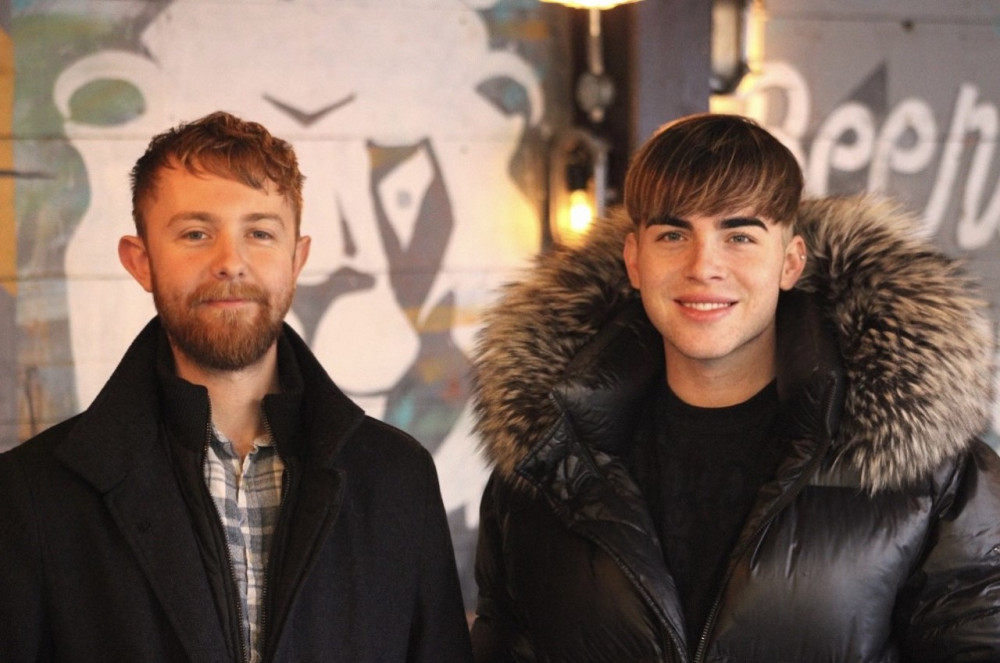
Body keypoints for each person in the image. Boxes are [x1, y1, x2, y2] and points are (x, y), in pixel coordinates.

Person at [469, 113, 1000, 661]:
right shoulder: (547, 457)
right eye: (674, 235)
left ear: (790, 261)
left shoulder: (922, 462)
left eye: (739, 235)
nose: (704, 266)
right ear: (634, 260)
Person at [0, 111, 473, 663]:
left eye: (260, 233)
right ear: (141, 261)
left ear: (296, 261)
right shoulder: (32, 495)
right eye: (196, 233)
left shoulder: (398, 478)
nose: (230, 262)